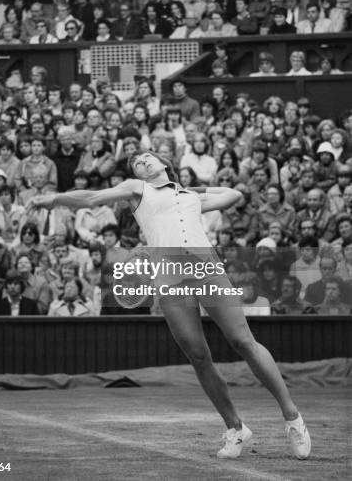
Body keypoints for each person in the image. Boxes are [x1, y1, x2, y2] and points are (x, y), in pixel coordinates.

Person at [28, 150, 311, 460]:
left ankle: (292, 417)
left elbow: (233, 194)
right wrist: (55, 199)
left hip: (206, 269)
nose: (143, 162)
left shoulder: (189, 196)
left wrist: (195, 191)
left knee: (243, 341)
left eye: (148, 157)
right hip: (170, 278)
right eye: (137, 163)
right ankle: (235, 427)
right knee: (198, 355)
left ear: (163, 163)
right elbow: (93, 198)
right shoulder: (137, 189)